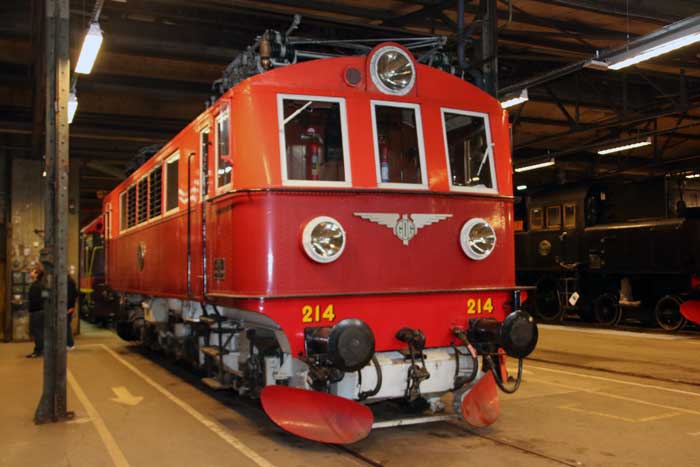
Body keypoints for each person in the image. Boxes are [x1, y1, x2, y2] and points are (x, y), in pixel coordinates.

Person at [27, 268, 44, 358]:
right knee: (39, 332)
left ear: (36, 274)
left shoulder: (35, 286)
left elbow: (34, 300)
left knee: (37, 332)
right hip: (40, 311)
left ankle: (38, 351)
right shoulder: (40, 285)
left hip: (36, 312)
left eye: (33, 271)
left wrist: (30, 307)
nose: (31, 272)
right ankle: (40, 350)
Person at [67, 274, 78, 350]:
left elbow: (72, 296)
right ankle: (69, 344)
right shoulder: (69, 281)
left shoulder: (69, 282)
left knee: (66, 326)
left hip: (67, 308)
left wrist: (71, 307)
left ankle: (70, 344)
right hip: (67, 307)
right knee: (66, 325)